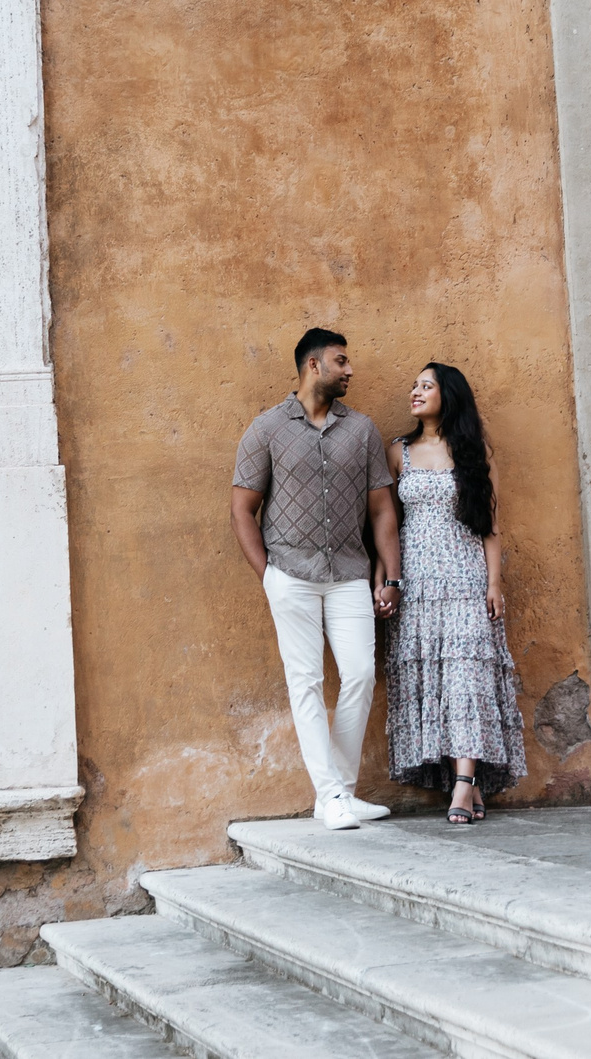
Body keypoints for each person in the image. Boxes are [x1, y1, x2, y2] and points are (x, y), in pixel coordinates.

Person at [231, 328, 404, 830]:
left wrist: (391, 576)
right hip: (290, 574)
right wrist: (270, 577)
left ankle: (340, 794)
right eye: (341, 361)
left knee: (360, 675)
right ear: (313, 365)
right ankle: (330, 795)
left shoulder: (363, 430)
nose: (350, 370)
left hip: (349, 572)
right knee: (304, 683)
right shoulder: (265, 429)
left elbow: (382, 512)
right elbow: (242, 510)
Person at [384, 362, 526, 823]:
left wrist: (493, 582)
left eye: (426, 385)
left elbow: (490, 525)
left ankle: (463, 783)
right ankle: (469, 782)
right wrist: (388, 578)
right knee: (436, 681)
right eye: (414, 385)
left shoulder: (473, 450)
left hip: (465, 579)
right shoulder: (397, 452)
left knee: (467, 678)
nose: (415, 391)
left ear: (449, 394)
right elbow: (385, 523)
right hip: (419, 583)